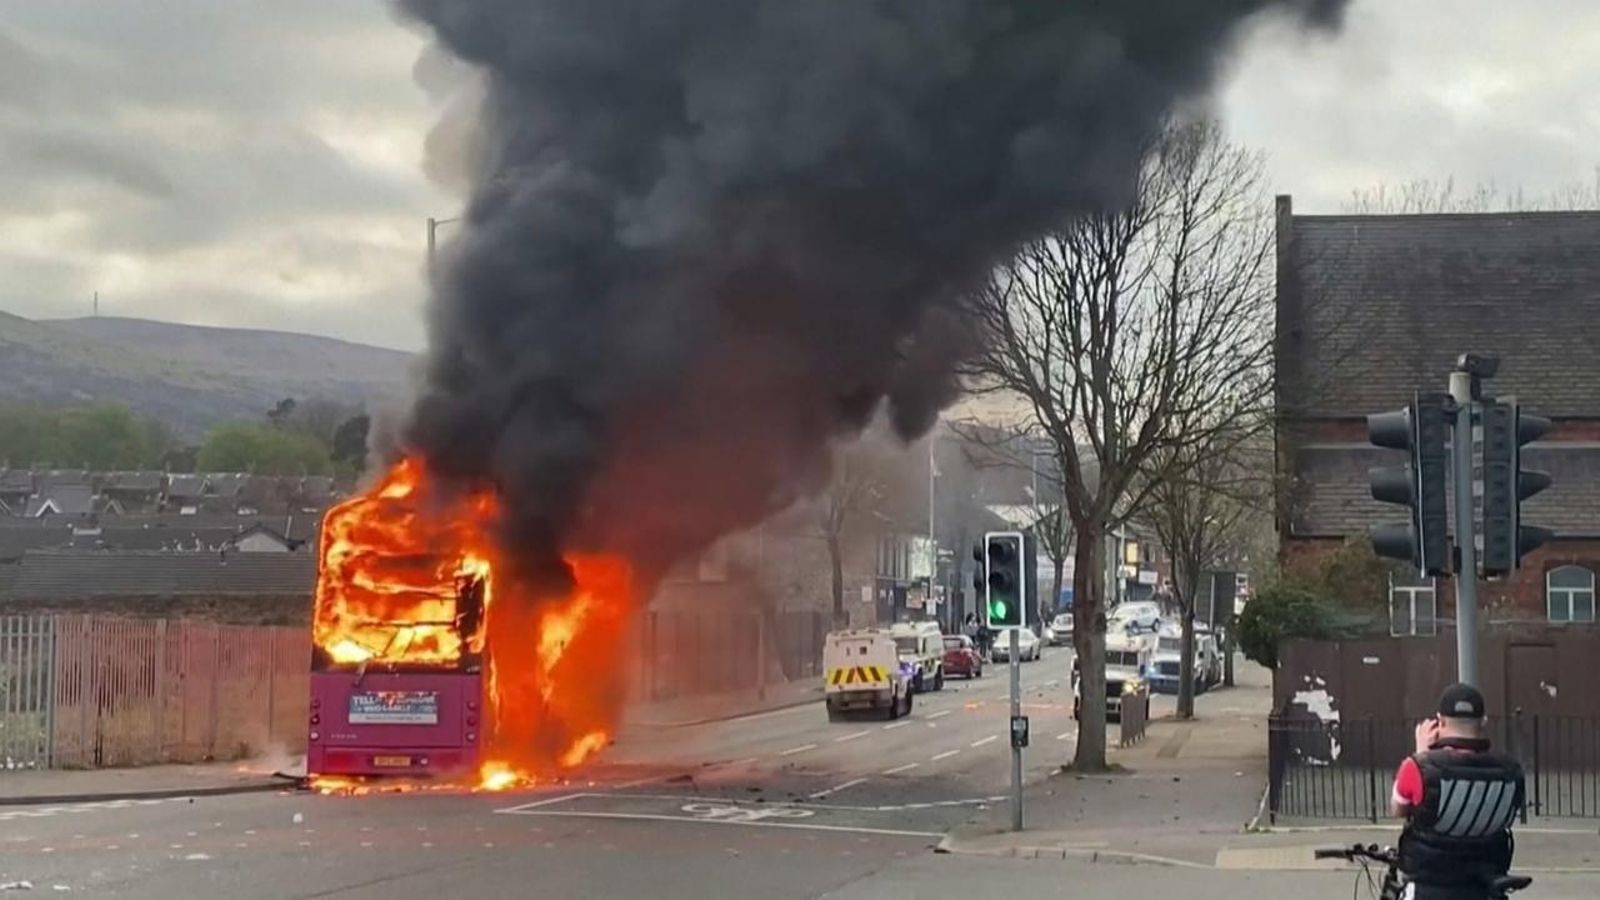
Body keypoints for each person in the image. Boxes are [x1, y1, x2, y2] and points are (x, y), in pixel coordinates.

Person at [1390, 683, 1525, 898]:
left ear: (1440, 722)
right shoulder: (1511, 771)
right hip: (1485, 885)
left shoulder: (1417, 768)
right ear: (1484, 722)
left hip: (1429, 885)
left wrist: (1421, 753)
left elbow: (1398, 809)